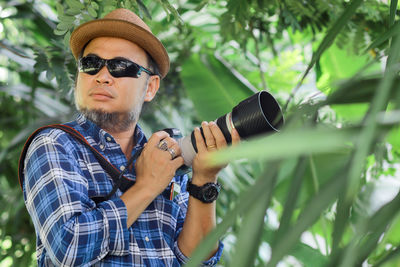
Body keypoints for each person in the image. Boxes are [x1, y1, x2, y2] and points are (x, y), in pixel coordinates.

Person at [21, 8, 240, 266]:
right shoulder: (55, 144)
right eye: (90, 64)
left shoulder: (164, 156)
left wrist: (204, 180)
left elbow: (197, 261)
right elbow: (68, 248)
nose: (102, 77)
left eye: (120, 67)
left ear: (150, 87)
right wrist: (147, 186)